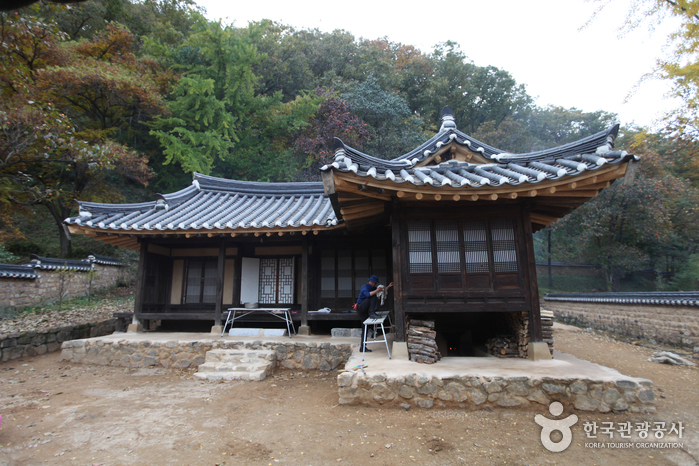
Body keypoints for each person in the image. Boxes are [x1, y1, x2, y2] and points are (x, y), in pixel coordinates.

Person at [356, 275, 393, 352]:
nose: (375, 285)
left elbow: (382, 290)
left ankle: (362, 347)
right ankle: (373, 312)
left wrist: (388, 286)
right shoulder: (365, 287)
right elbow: (368, 295)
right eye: (375, 283)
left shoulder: (372, 288)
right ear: (372, 282)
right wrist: (377, 291)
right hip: (361, 307)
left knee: (364, 328)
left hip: (365, 310)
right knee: (372, 296)